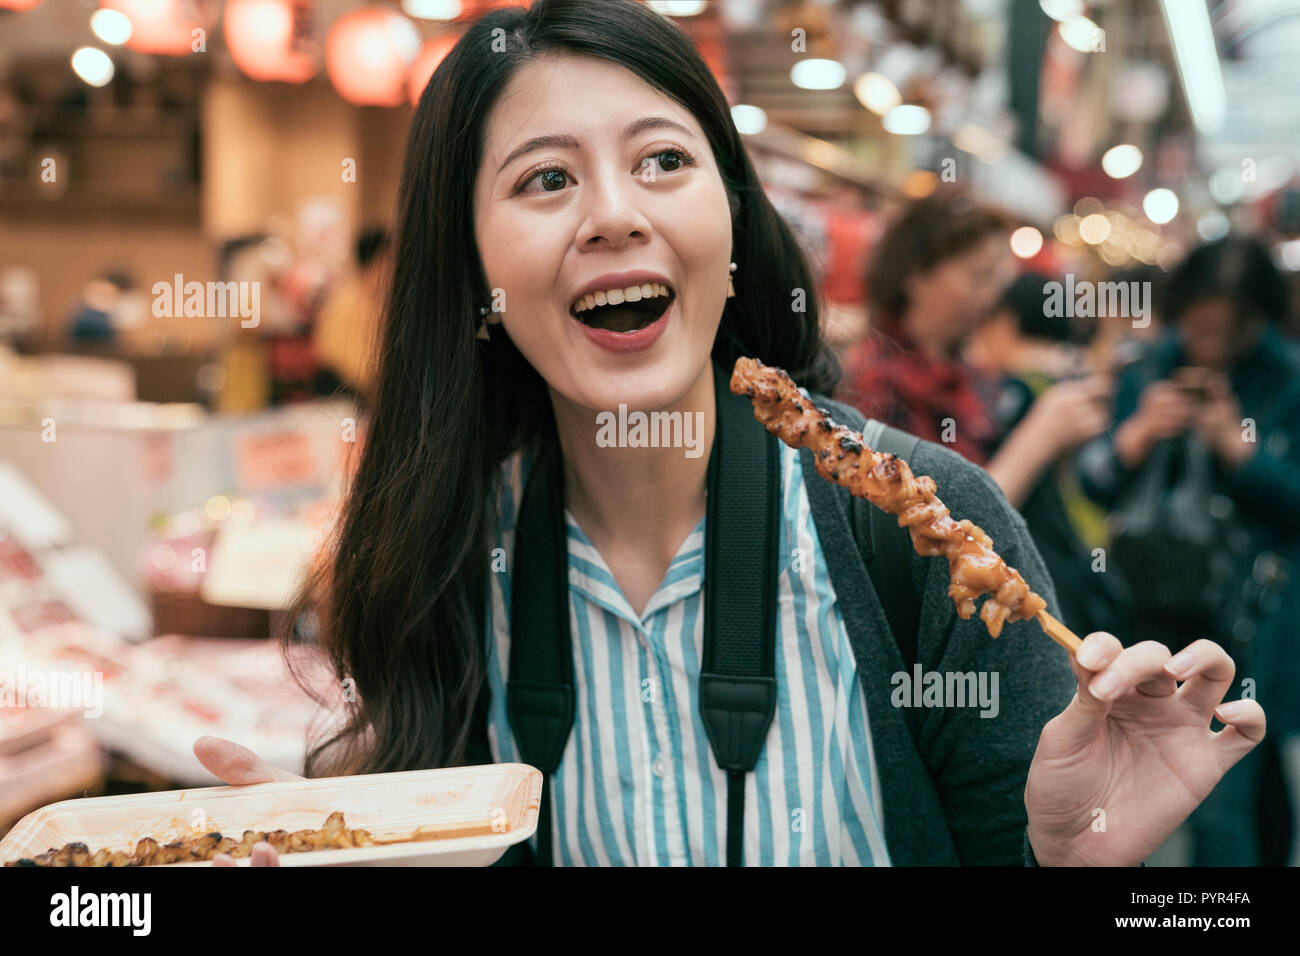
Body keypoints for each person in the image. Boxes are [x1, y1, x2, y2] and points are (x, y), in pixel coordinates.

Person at [193, 0, 1262, 867]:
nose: (614, 213)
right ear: (473, 270)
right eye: (546, 178)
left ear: (733, 224)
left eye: (663, 160)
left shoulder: (924, 540)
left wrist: (1065, 866)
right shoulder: (440, 566)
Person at [1077, 236, 1300, 865]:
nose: (1208, 344)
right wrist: (1139, 434)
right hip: (1147, 611)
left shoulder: (1286, 379)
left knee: (1236, 794)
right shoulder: (1148, 367)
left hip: (1253, 616)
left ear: (1257, 319)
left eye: (1226, 332)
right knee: (1148, 781)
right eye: (1197, 326)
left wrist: (1242, 452)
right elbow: (1095, 484)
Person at [967, 273, 1129, 640]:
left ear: (1006, 320)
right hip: (1088, 546)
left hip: (1041, 563)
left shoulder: (1012, 390)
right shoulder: (1078, 379)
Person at [837, 189, 1014, 464]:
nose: (990, 296)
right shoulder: (877, 381)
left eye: (996, 281)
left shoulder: (961, 371)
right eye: (979, 277)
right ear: (917, 273)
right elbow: (920, 502)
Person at [313, 227, 391, 406]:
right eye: (386, 262)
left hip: (369, 393)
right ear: (372, 264)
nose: (391, 270)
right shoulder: (345, 302)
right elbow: (335, 359)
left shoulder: (384, 303)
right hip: (343, 393)